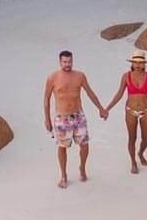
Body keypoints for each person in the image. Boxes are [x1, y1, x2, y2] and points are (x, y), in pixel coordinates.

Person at [43, 49, 108, 189]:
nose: (68, 64)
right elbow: (46, 99)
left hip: (78, 115)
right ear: (60, 62)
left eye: (70, 61)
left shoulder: (80, 76)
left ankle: (82, 168)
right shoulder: (52, 77)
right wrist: (47, 118)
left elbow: (90, 93)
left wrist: (101, 108)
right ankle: (63, 175)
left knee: (84, 144)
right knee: (62, 147)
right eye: (65, 62)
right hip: (62, 117)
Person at [106, 50, 147, 174]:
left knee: (146, 139)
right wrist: (107, 108)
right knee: (132, 138)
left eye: (140, 62)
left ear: (144, 64)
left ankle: (140, 153)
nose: (138, 65)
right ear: (132, 63)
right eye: (135, 62)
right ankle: (133, 161)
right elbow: (119, 94)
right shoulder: (126, 76)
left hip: (146, 111)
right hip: (130, 111)